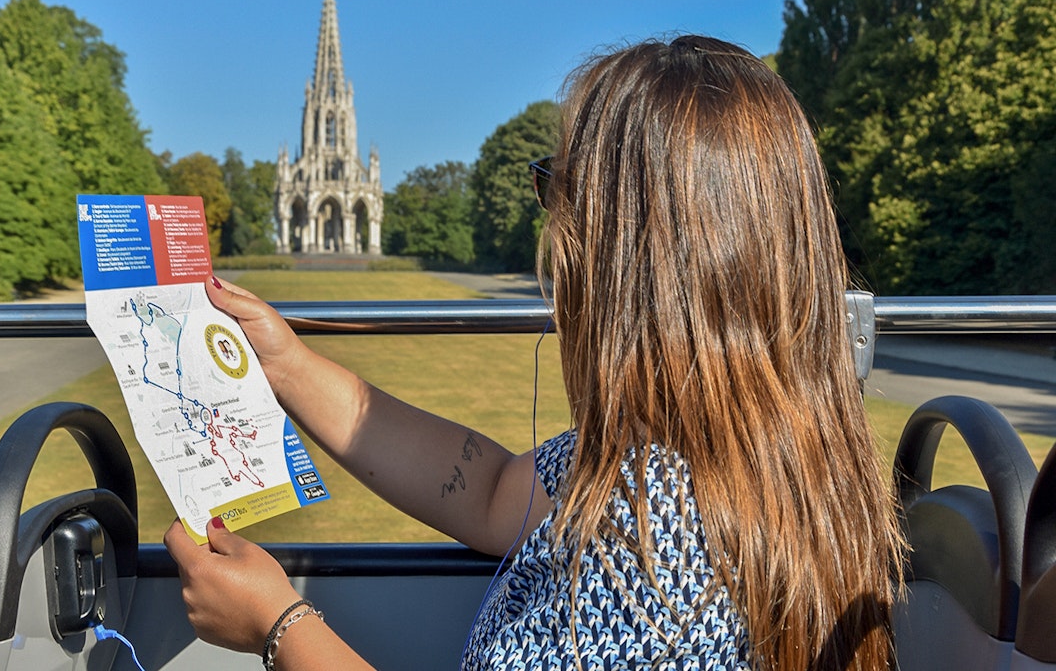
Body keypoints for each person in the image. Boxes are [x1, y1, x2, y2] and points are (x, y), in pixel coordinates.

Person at [165, 35, 903, 670]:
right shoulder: (729, 454)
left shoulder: (653, 539)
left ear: (625, 257)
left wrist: (279, 626)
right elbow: (490, 491)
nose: (551, 230)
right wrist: (285, 361)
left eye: (557, 190)